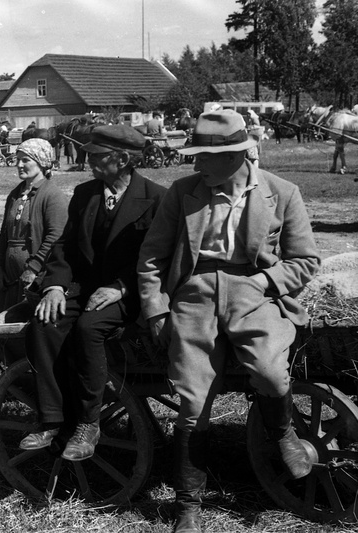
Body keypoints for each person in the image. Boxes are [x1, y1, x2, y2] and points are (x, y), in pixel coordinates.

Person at [137, 109, 320, 533]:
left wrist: (264, 283)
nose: (195, 164)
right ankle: (188, 507)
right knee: (192, 403)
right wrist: (157, 310)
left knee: (273, 375)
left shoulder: (282, 192)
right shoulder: (183, 192)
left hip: (255, 294)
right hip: (195, 295)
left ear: (236, 156)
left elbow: (306, 260)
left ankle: (284, 434)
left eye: (203, 156)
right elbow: (151, 258)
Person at [20, 125, 166, 461]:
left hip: (131, 294)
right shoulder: (87, 194)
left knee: (89, 328)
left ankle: (88, 423)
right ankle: (52, 419)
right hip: (85, 288)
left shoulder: (157, 198)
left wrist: (121, 287)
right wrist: (55, 286)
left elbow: (160, 257)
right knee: (44, 323)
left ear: (124, 159)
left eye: (97, 156)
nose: (88, 161)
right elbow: (66, 247)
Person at [0, 138, 68, 313]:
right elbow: (4, 234)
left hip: (35, 275)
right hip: (10, 275)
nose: (19, 164)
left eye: (26, 160)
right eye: (17, 159)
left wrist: (33, 268)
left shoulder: (52, 195)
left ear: (41, 162)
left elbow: (55, 236)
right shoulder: (15, 194)